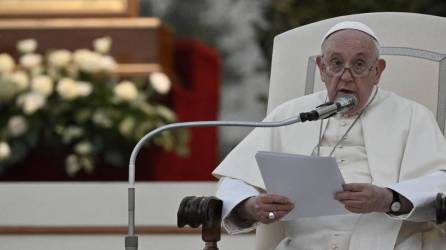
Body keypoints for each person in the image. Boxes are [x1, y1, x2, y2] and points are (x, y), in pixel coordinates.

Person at [213, 21, 446, 250]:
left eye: (359, 64)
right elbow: (235, 180)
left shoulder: (412, 115)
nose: (346, 76)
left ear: (377, 71)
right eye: (336, 64)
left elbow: (441, 182)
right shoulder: (291, 114)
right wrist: (250, 205)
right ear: (321, 69)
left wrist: (388, 199)